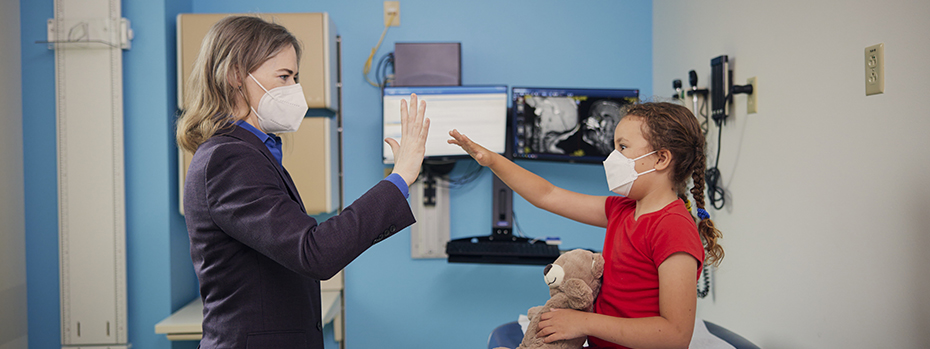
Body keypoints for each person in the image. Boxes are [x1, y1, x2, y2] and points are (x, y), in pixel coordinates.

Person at [176, 16, 429, 348]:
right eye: (284, 76)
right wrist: (400, 178)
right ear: (236, 74)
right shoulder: (230, 159)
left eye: (295, 77)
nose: (295, 89)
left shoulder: (248, 153)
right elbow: (315, 252)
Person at [449, 102, 723, 349]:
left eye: (623, 148)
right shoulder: (623, 210)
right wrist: (491, 160)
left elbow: (675, 335)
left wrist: (583, 323)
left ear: (661, 159)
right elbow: (548, 195)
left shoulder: (673, 228)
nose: (613, 157)